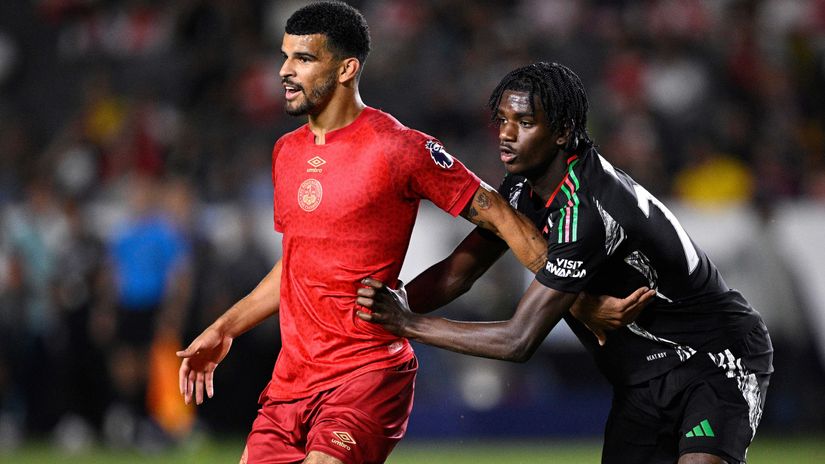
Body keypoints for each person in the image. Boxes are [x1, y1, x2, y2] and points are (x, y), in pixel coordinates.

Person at [176, 3, 561, 463]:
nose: (284, 71)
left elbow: (497, 213)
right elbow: (296, 264)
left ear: (346, 69)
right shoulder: (286, 152)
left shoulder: (399, 147)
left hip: (366, 373)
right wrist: (224, 329)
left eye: (303, 58)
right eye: (285, 56)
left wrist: (579, 297)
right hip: (292, 383)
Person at [357, 62, 773, 464]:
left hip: (714, 357)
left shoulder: (585, 208)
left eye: (524, 123)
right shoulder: (522, 189)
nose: (506, 135)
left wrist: (407, 323)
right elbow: (458, 275)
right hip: (640, 379)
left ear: (562, 132)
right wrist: (375, 313)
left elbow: (518, 340)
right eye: (502, 120)